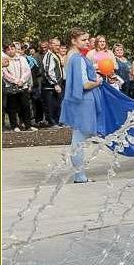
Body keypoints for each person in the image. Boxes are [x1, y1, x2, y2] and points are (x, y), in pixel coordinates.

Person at [58, 29, 103, 182]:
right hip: (83, 101)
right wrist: (98, 82)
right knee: (79, 138)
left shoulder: (71, 56)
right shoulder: (77, 58)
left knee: (79, 137)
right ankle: (79, 175)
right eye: (83, 39)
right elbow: (84, 84)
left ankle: (80, 174)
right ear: (73, 40)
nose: (87, 42)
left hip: (76, 100)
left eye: (87, 39)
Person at [2, 42, 36, 131]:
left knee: (25, 106)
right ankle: (15, 125)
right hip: (11, 87)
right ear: (5, 51)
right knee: (12, 107)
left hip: (23, 86)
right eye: (8, 50)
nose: (10, 51)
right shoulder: (4, 60)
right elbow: (5, 74)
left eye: (12, 49)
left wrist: (22, 80)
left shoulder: (22, 59)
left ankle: (28, 125)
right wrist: (15, 81)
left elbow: (27, 71)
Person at [41, 36, 64, 126]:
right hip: (50, 86)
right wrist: (55, 83)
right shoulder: (49, 56)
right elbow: (48, 71)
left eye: (59, 45)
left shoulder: (55, 55)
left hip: (57, 84)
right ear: (50, 45)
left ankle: (57, 121)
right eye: (56, 45)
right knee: (51, 105)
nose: (58, 47)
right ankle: (52, 122)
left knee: (57, 104)